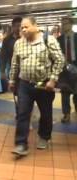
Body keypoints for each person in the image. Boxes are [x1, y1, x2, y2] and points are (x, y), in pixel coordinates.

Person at [9, 17, 65, 156]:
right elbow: (15, 64)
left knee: (46, 113)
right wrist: (12, 80)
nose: (23, 30)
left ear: (35, 26)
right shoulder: (19, 43)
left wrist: (53, 79)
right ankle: (21, 143)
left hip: (44, 85)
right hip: (24, 84)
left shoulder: (48, 40)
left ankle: (44, 137)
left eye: (26, 27)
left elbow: (59, 60)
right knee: (22, 113)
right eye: (22, 27)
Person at [58, 17, 77, 123]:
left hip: (76, 67)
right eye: (63, 24)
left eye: (66, 23)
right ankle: (66, 114)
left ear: (71, 24)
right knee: (65, 93)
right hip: (64, 69)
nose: (64, 26)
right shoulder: (59, 39)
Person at [0, 17, 22, 87]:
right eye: (16, 26)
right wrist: (2, 71)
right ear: (12, 27)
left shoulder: (25, 38)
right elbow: (3, 56)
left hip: (25, 69)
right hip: (12, 69)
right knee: (16, 90)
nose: (18, 28)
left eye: (20, 26)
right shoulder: (7, 40)